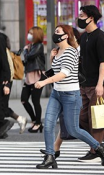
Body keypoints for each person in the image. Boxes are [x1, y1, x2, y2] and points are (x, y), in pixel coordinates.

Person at [34, 24, 104, 169]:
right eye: (55, 31)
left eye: (57, 31)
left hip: (71, 95)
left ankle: (99, 148)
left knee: (73, 130)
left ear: (66, 35)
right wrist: (53, 58)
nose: (55, 34)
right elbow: (56, 70)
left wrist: (44, 82)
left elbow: (63, 74)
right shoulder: (58, 51)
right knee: (48, 124)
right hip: (56, 94)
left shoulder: (71, 52)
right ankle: (49, 156)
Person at [77, 5, 104, 162]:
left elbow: (103, 62)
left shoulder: (99, 37)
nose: (79, 19)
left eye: (82, 16)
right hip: (84, 84)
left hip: (96, 85)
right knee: (82, 118)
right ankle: (98, 143)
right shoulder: (84, 37)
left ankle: (95, 150)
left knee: (95, 118)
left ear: (91, 18)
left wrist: (100, 84)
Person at [21, 26, 46, 133]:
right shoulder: (31, 46)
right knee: (24, 99)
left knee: (35, 100)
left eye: (31, 33)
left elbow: (30, 57)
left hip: (38, 76)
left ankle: (38, 123)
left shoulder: (39, 46)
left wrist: (25, 51)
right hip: (29, 76)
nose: (29, 35)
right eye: (28, 32)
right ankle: (35, 120)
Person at [2, 36, 27, 134]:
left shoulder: (5, 52)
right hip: (4, 82)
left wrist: (7, 84)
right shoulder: (4, 51)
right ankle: (19, 119)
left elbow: (10, 70)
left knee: (2, 106)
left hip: (6, 82)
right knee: (1, 106)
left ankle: (19, 119)